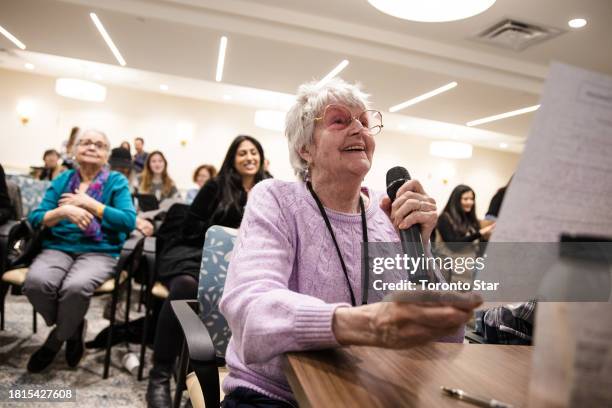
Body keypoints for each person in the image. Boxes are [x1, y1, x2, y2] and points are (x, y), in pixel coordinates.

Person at [218, 78, 481, 406]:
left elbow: (448, 337)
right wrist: (371, 324)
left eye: (365, 122)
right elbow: (251, 310)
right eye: (340, 120)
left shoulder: (392, 212)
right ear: (305, 148)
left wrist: (423, 251)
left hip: (370, 389)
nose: (359, 130)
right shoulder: (277, 199)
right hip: (279, 394)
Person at [146, 135, 266, 408]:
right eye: (242, 153)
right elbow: (190, 228)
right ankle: (160, 374)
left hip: (246, 263)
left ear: (260, 157)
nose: (249, 157)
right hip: (197, 253)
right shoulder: (216, 186)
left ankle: (224, 374)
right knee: (186, 286)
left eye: (254, 152)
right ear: (232, 159)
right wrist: (223, 238)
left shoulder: (268, 187)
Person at [22, 129, 136, 373]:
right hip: (58, 248)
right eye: (85, 143)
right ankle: (73, 329)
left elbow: (128, 221)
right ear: (74, 150)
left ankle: (55, 341)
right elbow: (36, 217)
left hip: (100, 251)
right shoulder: (62, 180)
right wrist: (63, 212)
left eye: (99, 144)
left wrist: (91, 204)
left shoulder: (116, 182)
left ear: (106, 155)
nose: (92, 147)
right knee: (35, 283)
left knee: (74, 288)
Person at [435, 184, 495, 282]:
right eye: (465, 199)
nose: (470, 202)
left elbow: (478, 248)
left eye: (472, 199)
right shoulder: (444, 218)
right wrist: (479, 233)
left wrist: (485, 237)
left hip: (468, 270)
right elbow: (453, 245)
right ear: (456, 200)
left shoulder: (472, 221)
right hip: (451, 271)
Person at [108, 147, 154, 236]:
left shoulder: (132, 188)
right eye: (118, 170)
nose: (122, 175)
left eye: (125, 171)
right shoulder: (102, 187)